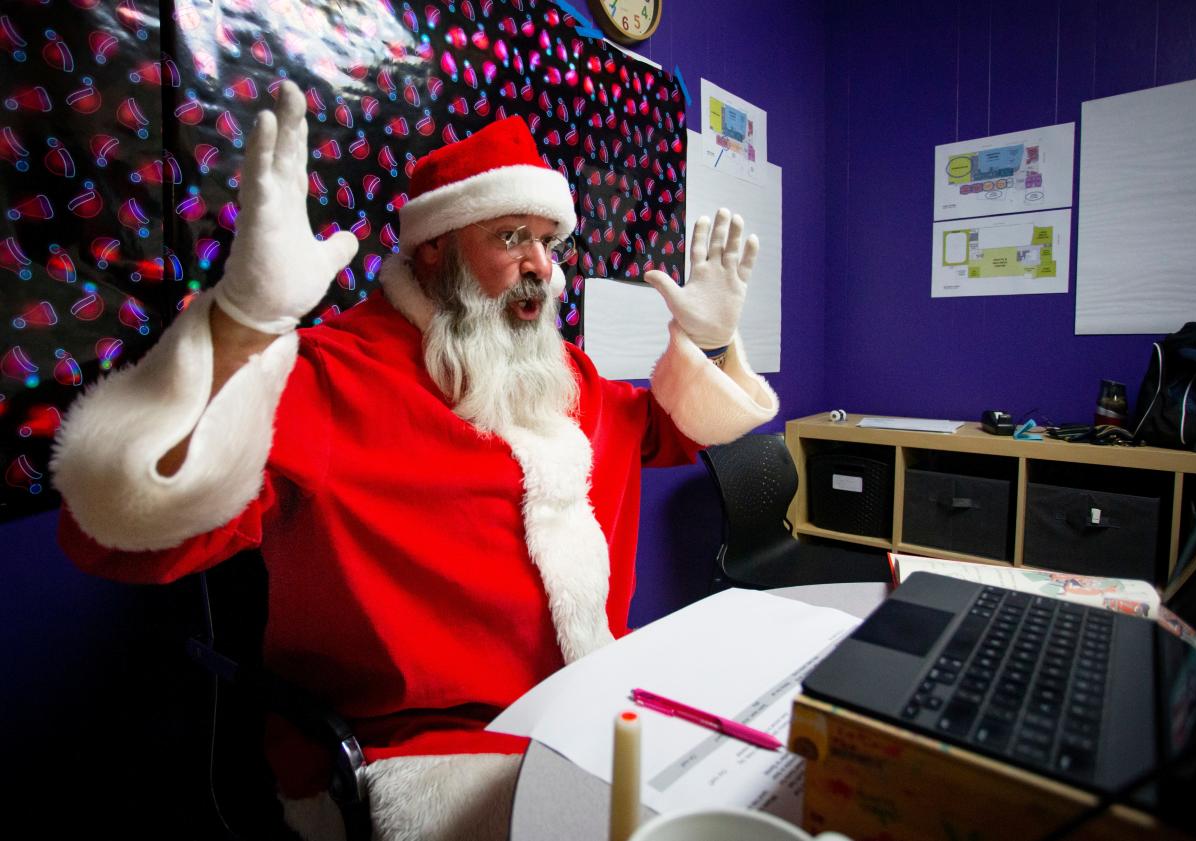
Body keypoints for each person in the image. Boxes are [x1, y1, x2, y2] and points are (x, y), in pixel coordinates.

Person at [51, 81, 777, 841]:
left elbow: (672, 431)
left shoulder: (559, 373)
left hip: (582, 704)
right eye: (509, 238)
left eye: (547, 241)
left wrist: (711, 342)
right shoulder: (330, 377)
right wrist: (240, 328)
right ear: (435, 248)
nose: (540, 266)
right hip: (426, 755)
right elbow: (111, 534)